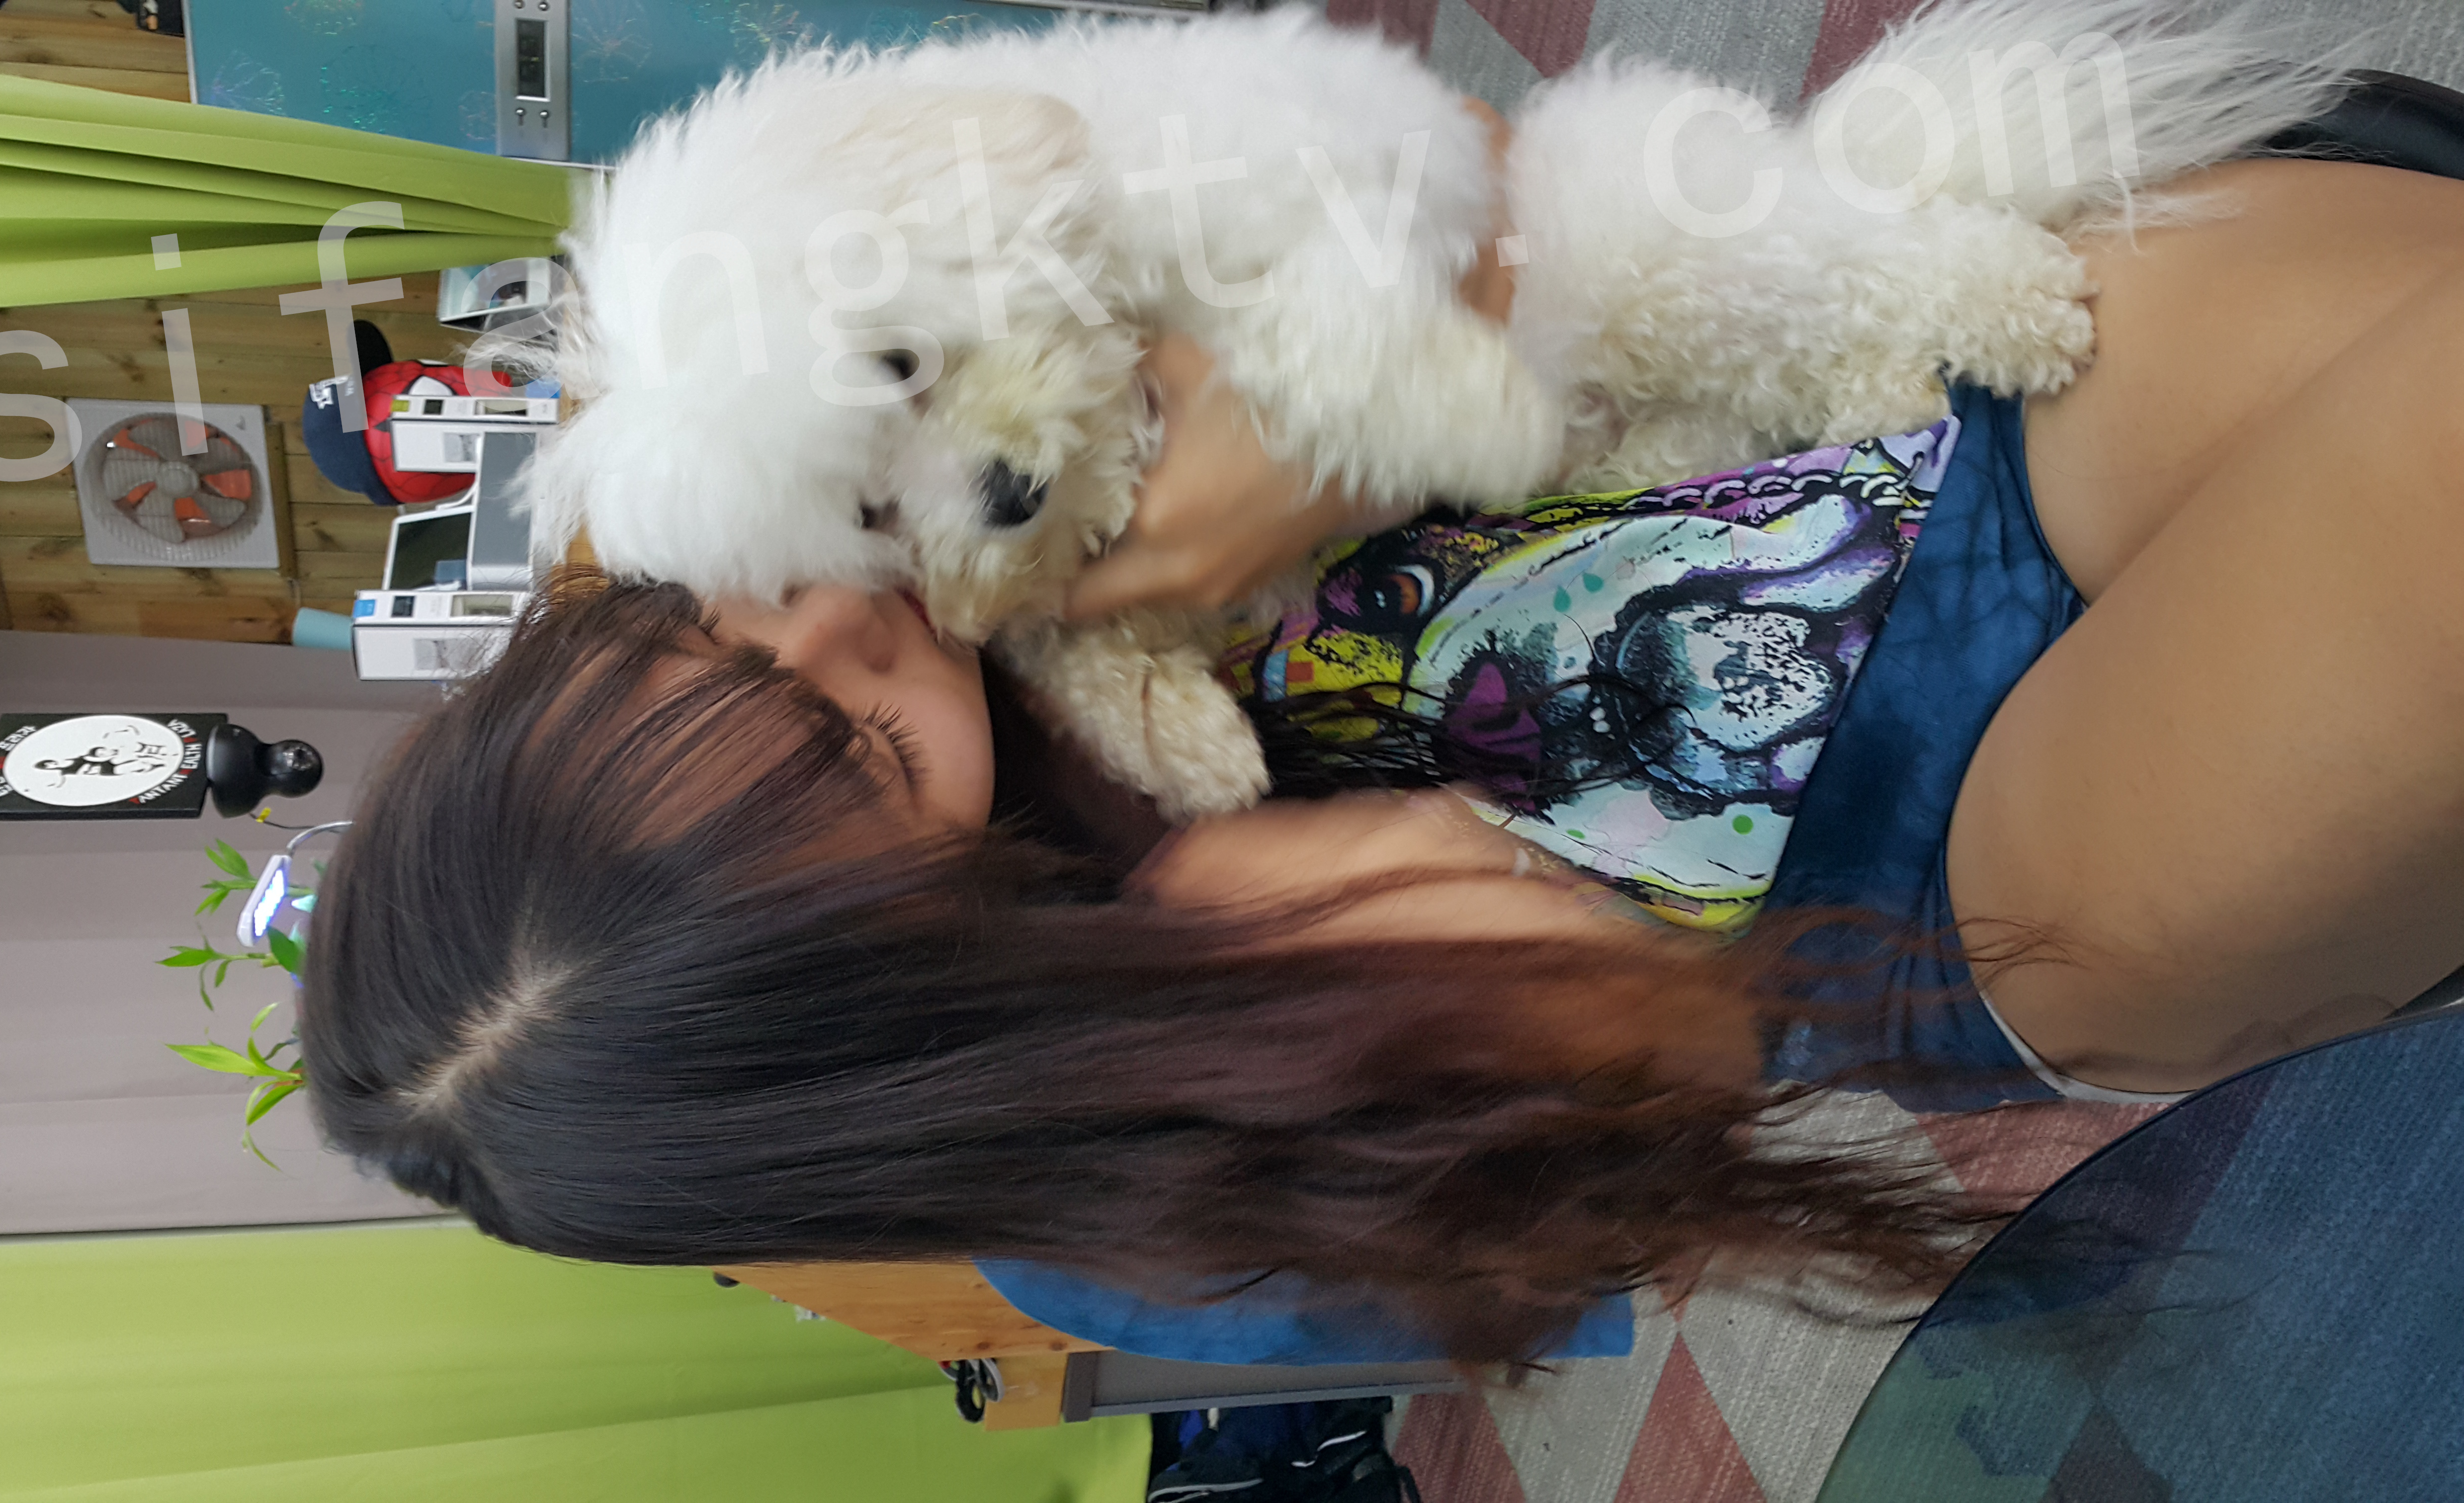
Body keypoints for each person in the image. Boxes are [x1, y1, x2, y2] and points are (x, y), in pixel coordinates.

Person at [299, 158, 2464, 1362]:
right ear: (878, 1017)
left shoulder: (932, 465)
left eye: (693, 623)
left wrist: (1357, 368)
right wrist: (1502, 1006)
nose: (822, 607)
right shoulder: (1123, 1192)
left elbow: (1551, 203)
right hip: (1959, 858)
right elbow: (1672, 1132)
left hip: (1890, 453)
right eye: (837, 742)